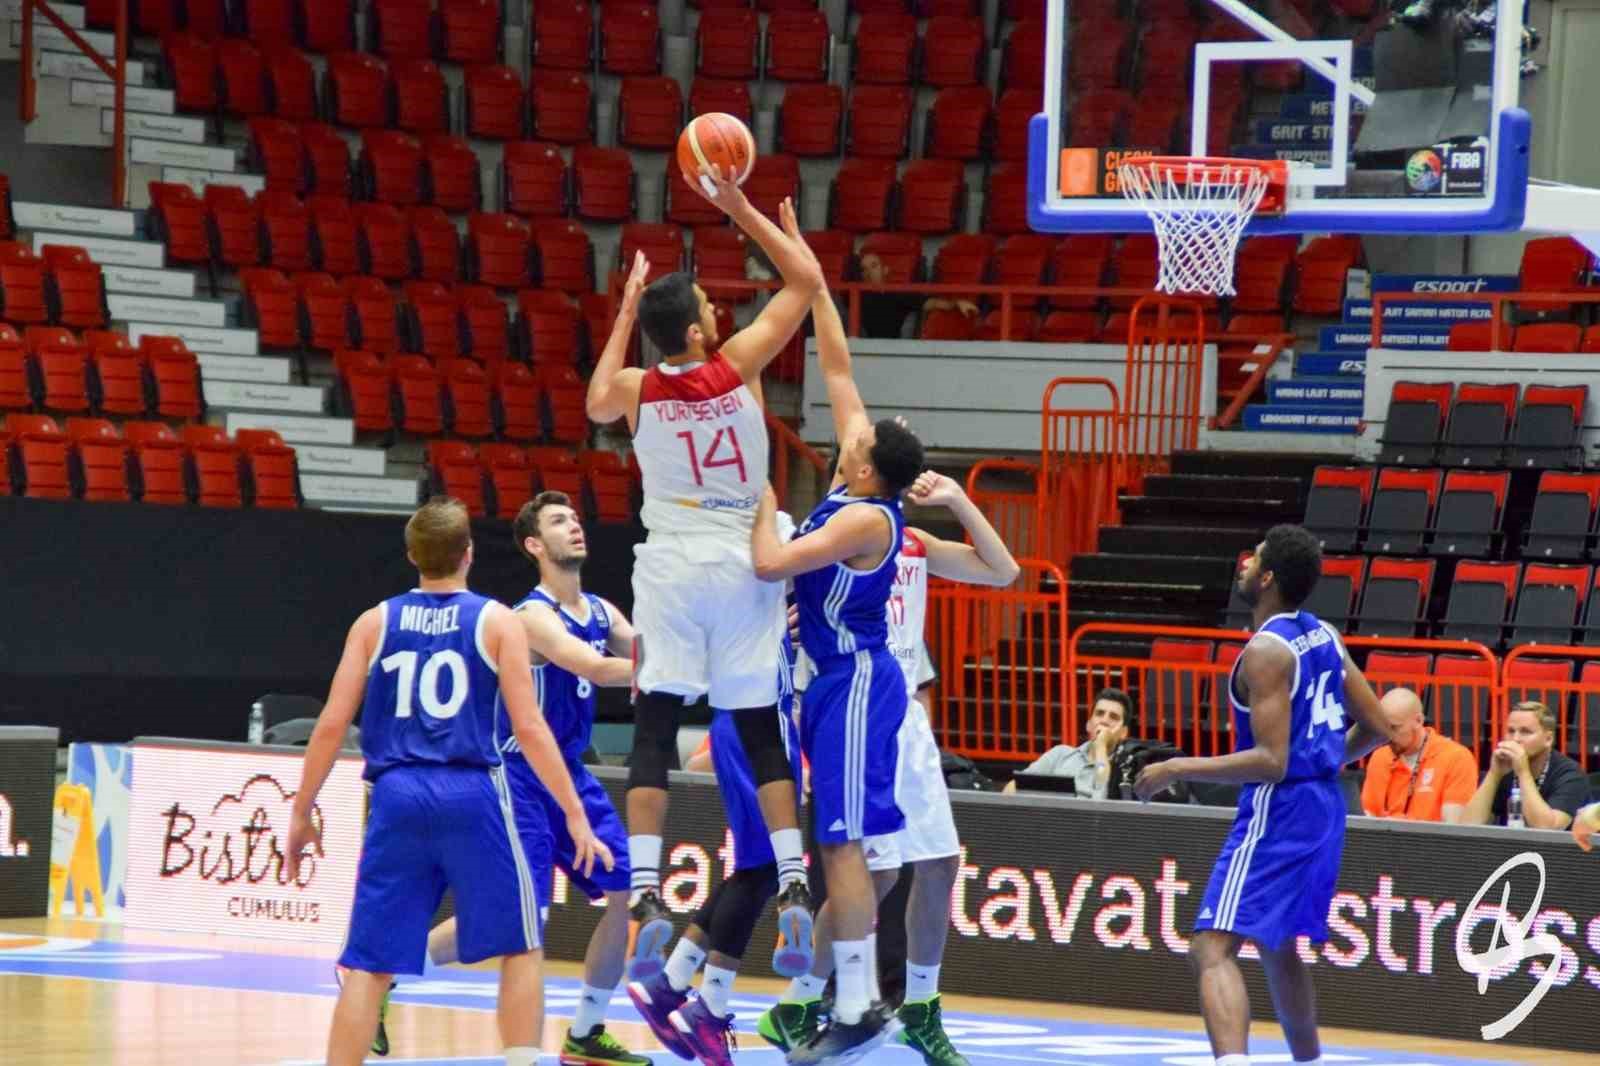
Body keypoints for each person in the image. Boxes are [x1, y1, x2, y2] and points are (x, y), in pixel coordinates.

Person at [586, 175, 825, 978]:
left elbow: (592, 404)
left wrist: (624, 312)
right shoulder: (735, 365)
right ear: (696, 329)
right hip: (739, 560)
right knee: (761, 729)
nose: (723, 318)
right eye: (712, 313)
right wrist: (742, 211)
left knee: (654, 726)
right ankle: (794, 885)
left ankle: (649, 892)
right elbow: (805, 283)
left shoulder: (637, 390)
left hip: (670, 566)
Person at [285, 497, 612, 1066]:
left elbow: (332, 725)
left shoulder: (374, 621)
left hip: (397, 796)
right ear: (468, 554)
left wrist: (300, 810)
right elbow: (531, 729)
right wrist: (575, 813)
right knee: (522, 945)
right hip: (476, 795)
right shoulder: (496, 620)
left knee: (367, 964)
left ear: (413, 556)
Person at [759, 452, 1019, 1065]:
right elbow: (769, 593)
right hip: (855, 708)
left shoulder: (910, 539)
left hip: (906, 715)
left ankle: (921, 1009)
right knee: (874, 873)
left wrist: (957, 500)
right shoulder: (823, 541)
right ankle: (797, 1003)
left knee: (939, 863)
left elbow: (1003, 571)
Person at [1132, 524, 1393, 1066]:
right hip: (1325, 804)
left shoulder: (1267, 652)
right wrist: (1321, 758)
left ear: (1268, 577)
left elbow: (1271, 763)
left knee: (1211, 946)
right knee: (1278, 945)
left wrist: (1176, 766)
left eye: (1254, 559)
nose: (1244, 563)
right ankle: (1309, 1061)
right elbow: (1376, 727)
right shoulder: (1322, 633)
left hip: (1281, 809)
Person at [750, 277, 928, 1062]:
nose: (851, 431)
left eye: (860, 440)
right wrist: (813, 283)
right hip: (833, 684)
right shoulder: (854, 487)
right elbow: (838, 370)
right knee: (844, 848)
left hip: (856, 680)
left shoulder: (862, 515)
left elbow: (770, 563)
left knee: (844, 847)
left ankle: (855, 1005)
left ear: (867, 469)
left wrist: (753, 484)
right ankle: (842, 999)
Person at [417, 491, 646, 1066]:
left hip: (568, 772)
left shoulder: (600, 609)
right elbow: (593, 666)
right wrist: (673, 675)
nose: (575, 526)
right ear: (534, 545)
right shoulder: (532, 615)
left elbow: (644, 646)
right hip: (518, 776)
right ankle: (390, 970)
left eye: (576, 516)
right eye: (558, 521)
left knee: (626, 889)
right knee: (516, 915)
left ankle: (587, 1031)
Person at [628, 517, 808, 1066]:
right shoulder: (755, 535)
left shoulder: (716, 555)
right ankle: (707, 1004)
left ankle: (676, 981)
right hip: (758, 724)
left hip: (753, 718)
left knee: (754, 870)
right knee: (762, 873)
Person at [1460, 701, 1590, 829]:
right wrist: (1494, 774)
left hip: (1556, 850)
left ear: (1548, 739)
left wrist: (1523, 772)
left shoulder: (1571, 774)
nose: (1515, 739)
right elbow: (1468, 827)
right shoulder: (1504, 769)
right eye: (1511, 731)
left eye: (1525, 732)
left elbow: (1547, 829)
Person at [1358, 687, 1477, 823]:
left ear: (1418, 720)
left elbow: (1453, 826)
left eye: (1395, 727)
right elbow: (1367, 815)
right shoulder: (1380, 757)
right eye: (1384, 727)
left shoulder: (1457, 757)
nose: (1387, 736)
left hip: (1430, 843)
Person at [1003, 688, 1135, 800]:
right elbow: (1012, 790)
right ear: (1089, 725)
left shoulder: (1125, 768)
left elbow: (1100, 802)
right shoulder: (1060, 754)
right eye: (1100, 714)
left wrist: (1101, 745)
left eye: (1113, 717)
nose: (1104, 721)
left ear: (1123, 732)